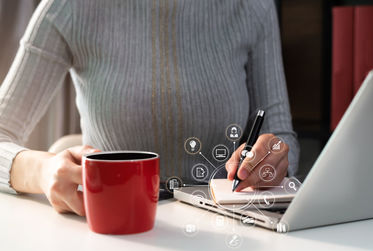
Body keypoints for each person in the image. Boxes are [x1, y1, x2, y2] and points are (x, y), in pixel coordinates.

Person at [0, 0, 299, 216]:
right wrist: (43, 169)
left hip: (231, 232)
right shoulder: (69, 8)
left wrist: (273, 159)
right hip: (115, 234)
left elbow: (281, 135)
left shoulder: (253, 8)